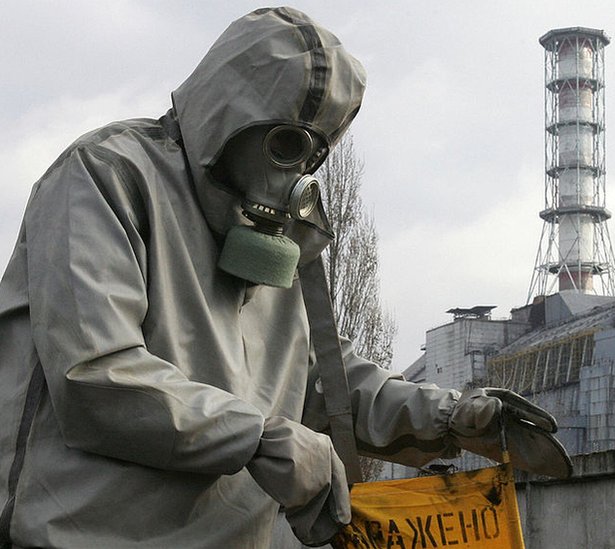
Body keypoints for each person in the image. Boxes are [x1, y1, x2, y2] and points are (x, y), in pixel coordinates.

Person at [0, 7, 570, 549]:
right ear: (227, 117)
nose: (296, 173)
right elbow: (97, 375)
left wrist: (452, 418)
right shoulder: (109, 175)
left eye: (314, 152)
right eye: (285, 143)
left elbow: (324, 383)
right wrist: (258, 436)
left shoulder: (272, 240)